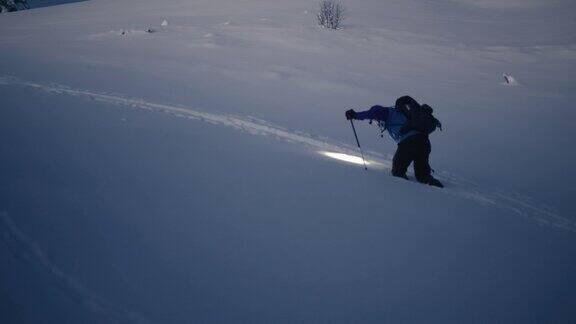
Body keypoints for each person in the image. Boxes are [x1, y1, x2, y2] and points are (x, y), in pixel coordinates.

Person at [345, 96, 444, 188]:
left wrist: (356, 115)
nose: (377, 121)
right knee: (422, 175)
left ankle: (402, 194)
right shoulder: (404, 114)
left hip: (408, 143)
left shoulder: (386, 112)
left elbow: (374, 113)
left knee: (398, 171)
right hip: (423, 142)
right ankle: (436, 190)